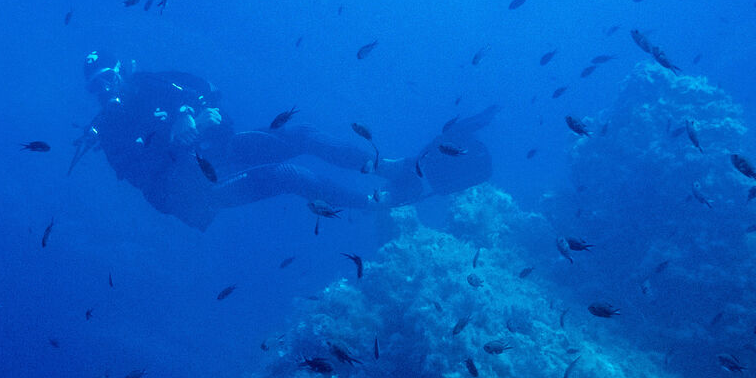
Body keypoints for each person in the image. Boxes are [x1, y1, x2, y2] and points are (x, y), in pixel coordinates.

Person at [71, 51, 495, 231]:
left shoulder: (153, 83)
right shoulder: (108, 130)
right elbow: (143, 177)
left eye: (109, 77)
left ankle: (391, 168)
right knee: (288, 175)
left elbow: (209, 92)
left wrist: (194, 110)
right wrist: (174, 140)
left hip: (220, 150)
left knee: (303, 134)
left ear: (124, 69)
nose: (106, 89)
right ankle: (375, 203)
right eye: (96, 86)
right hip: (191, 190)